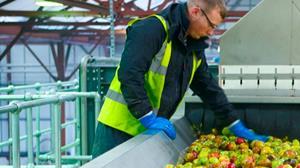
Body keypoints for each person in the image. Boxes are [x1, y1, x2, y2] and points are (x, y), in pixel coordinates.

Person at [92, 0, 268, 158]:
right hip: (118, 130)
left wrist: (234, 123)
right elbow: (129, 74)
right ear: (195, 12)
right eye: (211, 25)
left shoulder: (192, 48)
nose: (210, 32)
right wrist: (147, 117)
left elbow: (208, 89)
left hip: (149, 133)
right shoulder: (154, 29)